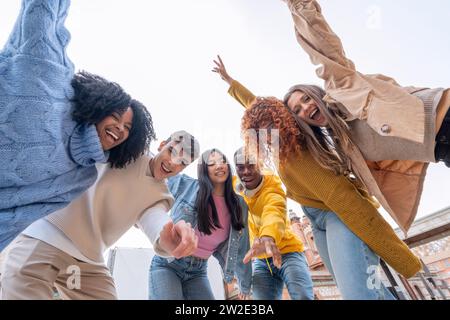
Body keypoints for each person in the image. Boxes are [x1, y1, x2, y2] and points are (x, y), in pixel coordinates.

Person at [213, 62, 422, 300]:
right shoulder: (280, 151)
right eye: (259, 131)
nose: (267, 133)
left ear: (283, 120)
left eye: (271, 125)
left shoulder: (299, 137)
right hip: (316, 219)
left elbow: (259, 104)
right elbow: (255, 106)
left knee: (358, 293)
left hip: (338, 215)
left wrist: (396, 252)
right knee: (365, 288)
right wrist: (231, 83)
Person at [277, 0, 449, 234]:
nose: (305, 108)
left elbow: (320, 43)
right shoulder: (345, 149)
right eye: (298, 111)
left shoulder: (341, 88)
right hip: (441, 150)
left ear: (318, 95)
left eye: (306, 99)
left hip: (442, 115)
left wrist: (297, 5)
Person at [0, 0, 154, 251]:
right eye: (116, 116)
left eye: (127, 129)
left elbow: (19, 215)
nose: (120, 129)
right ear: (102, 106)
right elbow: (41, 13)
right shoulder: (56, 79)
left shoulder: (80, 178)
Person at [0, 131, 200, 300]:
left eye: (182, 162)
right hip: (47, 235)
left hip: (87, 262)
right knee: (21, 285)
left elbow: (155, 219)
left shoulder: (161, 196)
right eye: (172, 151)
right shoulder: (129, 148)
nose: (173, 163)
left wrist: (171, 238)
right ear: (162, 145)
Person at [149, 149, 252, 300]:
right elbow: (155, 174)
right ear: (204, 170)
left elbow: (242, 248)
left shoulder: (239, 205)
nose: (219, 165)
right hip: (168, 264)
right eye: (211, 163)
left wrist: (245, 285)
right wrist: (164, 153)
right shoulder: (185, 185)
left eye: (222, 161)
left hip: (198, 272)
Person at [233, 147, 314, 300]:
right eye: (240, 167)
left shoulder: (271, 184)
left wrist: (268, 236)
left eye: (251, 165)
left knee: (302, 295)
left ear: (260, 165)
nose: (246, 171)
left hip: (288, 252)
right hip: (261, 260)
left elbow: (274, 209)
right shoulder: (233, 187)